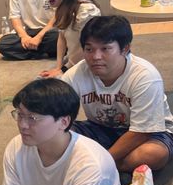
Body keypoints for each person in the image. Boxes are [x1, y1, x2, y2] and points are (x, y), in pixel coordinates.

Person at [62, 15, 173, 173]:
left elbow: (141, 133)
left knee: (153, 154)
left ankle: (101, 164)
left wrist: (102, 162)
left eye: (105, 49)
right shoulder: (77, 73)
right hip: (100, 128)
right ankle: (117, 165)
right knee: (56, 131)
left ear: (125, 49)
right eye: (89, 49)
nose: (96, 57)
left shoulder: (145, 76)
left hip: (149, 133)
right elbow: (54, 107)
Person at [39, 0, 101, 77]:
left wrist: (64, 70)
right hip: (72, 62)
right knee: (42, 79)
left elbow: (89, 47)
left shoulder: (86, 11)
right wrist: (58, 67)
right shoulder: (62, 8)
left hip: (89, 64)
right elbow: (61, 38)